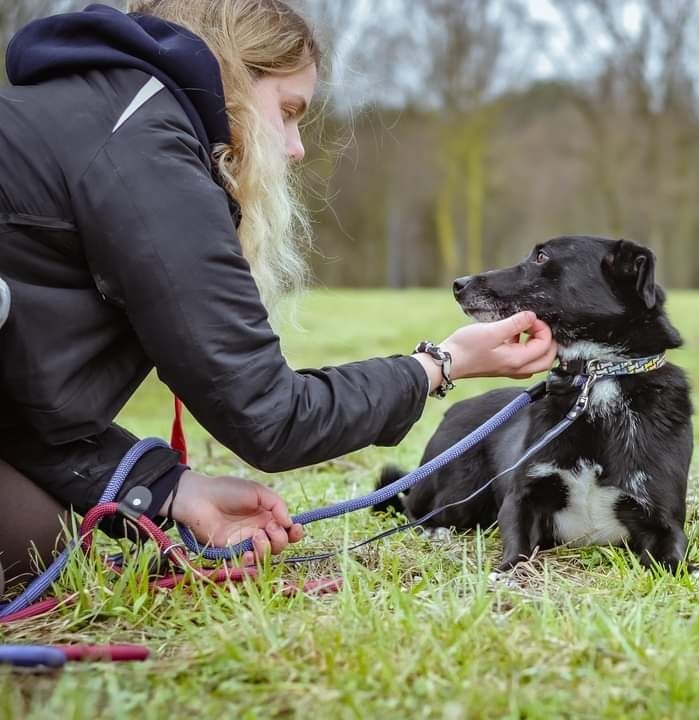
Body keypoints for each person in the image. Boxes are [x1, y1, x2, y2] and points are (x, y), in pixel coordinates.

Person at [0, 0, 557, 594]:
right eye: (288, 112)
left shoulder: (83, 113)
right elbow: (272, 417)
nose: (294, 148)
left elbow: (19, 402)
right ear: (234, 76)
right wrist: (440, 365)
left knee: (47, 541)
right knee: (42, 549)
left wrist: (171, 489)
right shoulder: (147, 153)